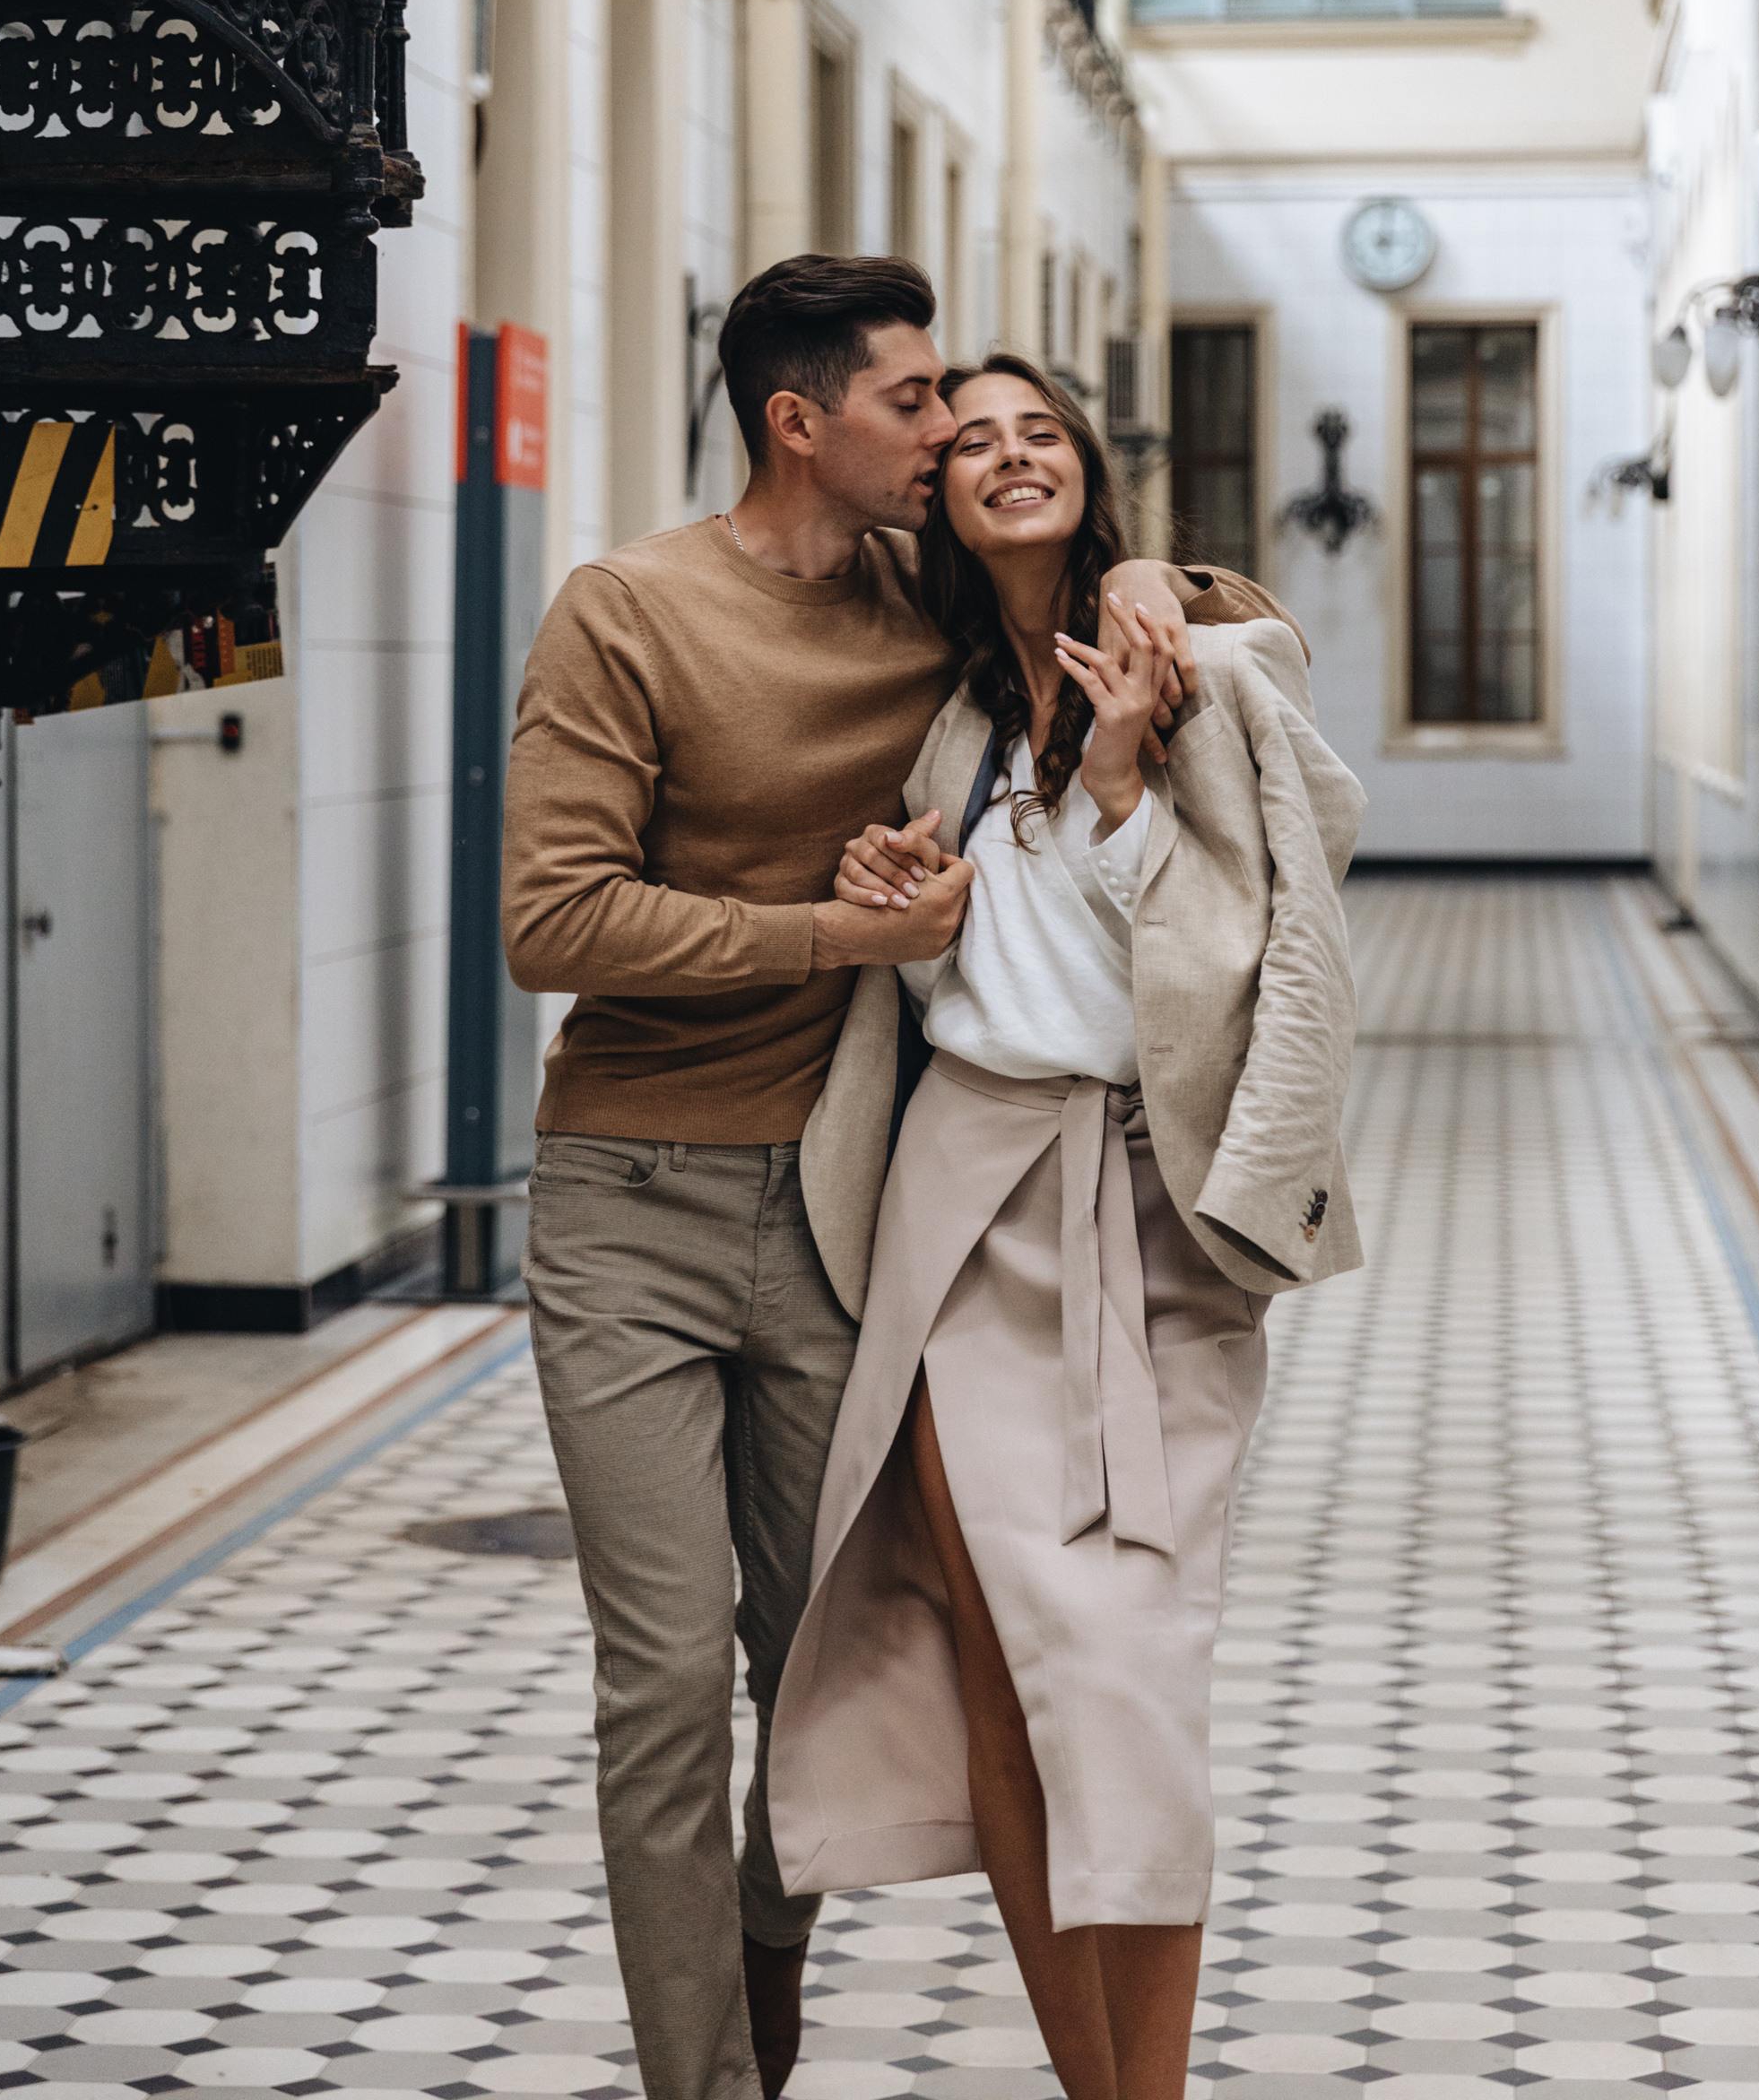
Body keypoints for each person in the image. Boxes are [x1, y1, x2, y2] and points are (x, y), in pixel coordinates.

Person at [499, 257, 1271, 2100]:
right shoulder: (627, 611)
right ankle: (709, 2083)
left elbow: (1110, 607)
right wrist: (829, 937)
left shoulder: (923, 608)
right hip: (630, 1200)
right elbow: (549, 919)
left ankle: (768, 1964)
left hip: (851, 1214)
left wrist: (1159, 576)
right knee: (665, 1690)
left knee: (831, 1665)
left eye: (968, 408)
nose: (948, 433)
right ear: (802, 423)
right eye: (920, 402)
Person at [767, 351, 1366, 2100]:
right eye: (973, 443)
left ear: (1090, 471)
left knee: (1129, 1672)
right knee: (1003, 1683)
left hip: (1147, 1219)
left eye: (1041, 435)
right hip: (962, 1203)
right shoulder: (949, 722)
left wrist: (1120, 777)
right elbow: (967, 963)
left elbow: (1281, 898)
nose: (1009, 458)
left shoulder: (1209, 666)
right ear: (941, 495)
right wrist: (895, 898)